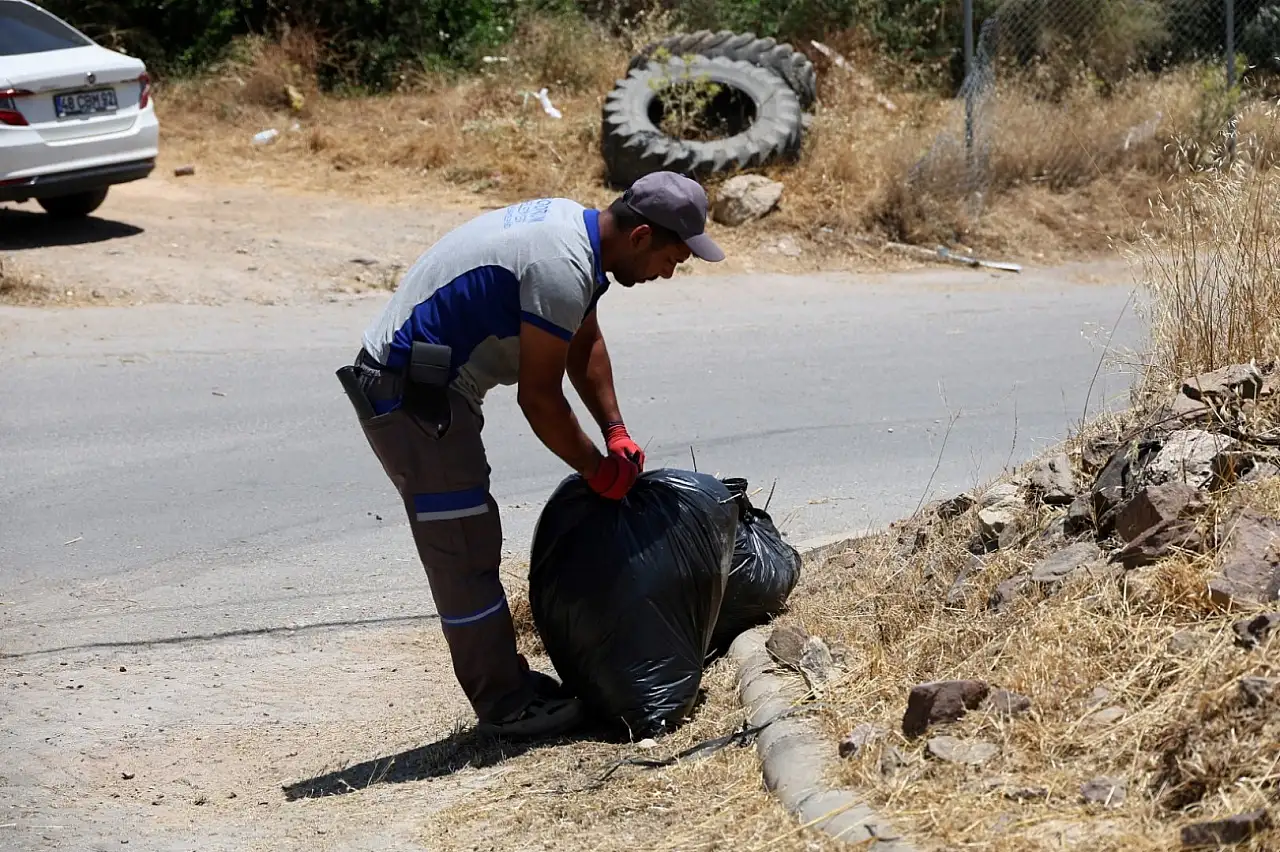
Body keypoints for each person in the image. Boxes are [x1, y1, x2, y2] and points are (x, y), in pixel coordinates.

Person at [338, 171, 725, 739]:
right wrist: (596, 471)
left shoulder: (579, 237)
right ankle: (506, 704)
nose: (668, 273)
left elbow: (584, 342)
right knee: (464, 550)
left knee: (471, 539)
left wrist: (614, 430)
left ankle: (510, 685)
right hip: (409, 393)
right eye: (672, 260)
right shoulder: (562, 267)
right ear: (641, 236)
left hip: (429, 384)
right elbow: (539, 399)